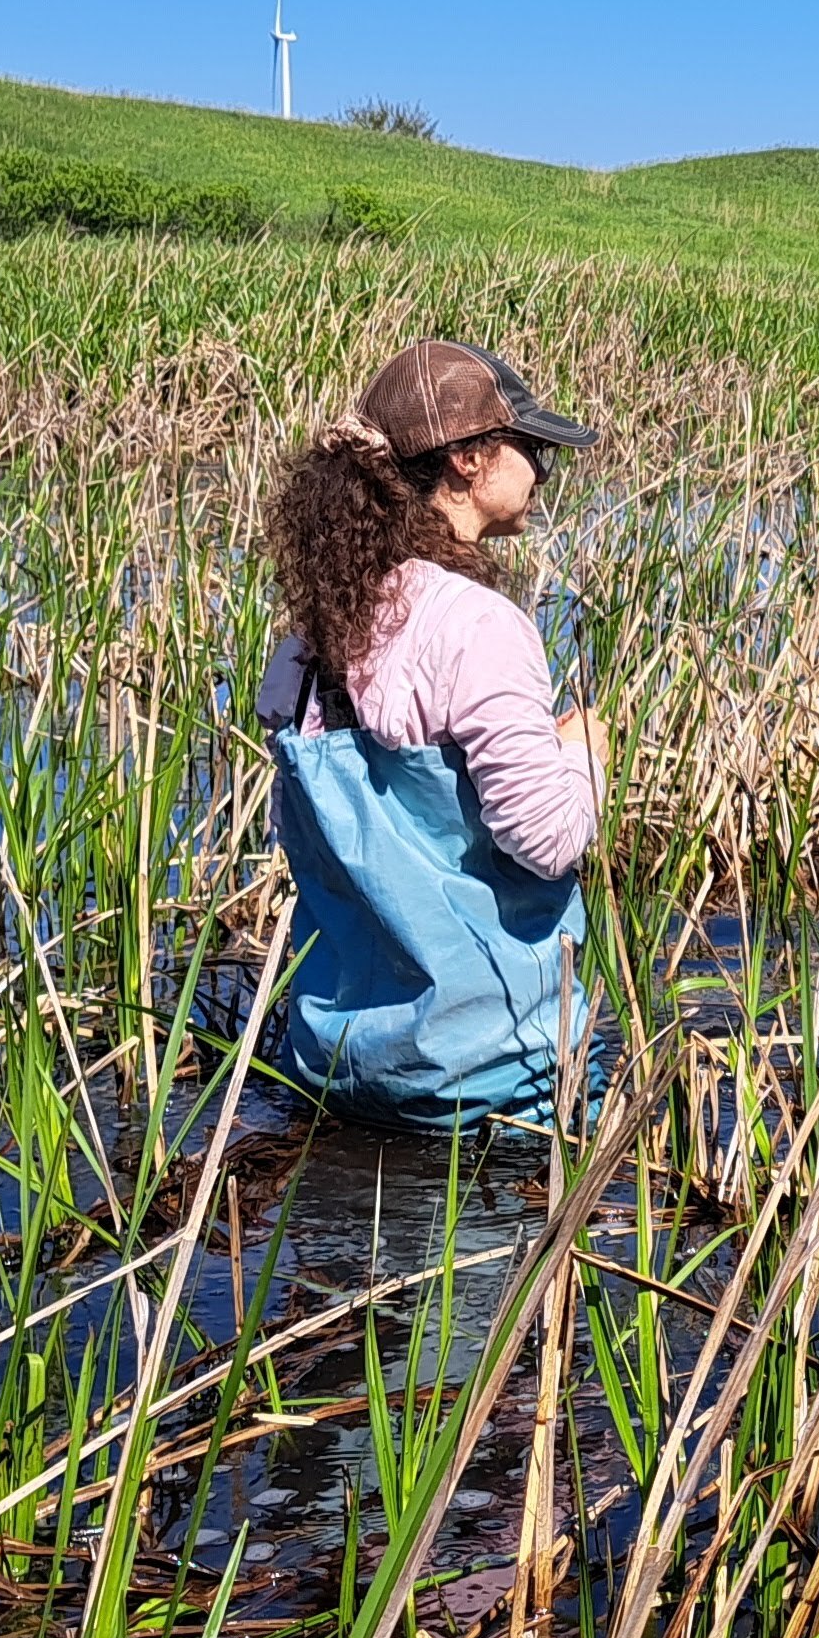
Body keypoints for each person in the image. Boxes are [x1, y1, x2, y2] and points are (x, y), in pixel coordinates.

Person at [257, 338, 608, 1129]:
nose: (544, 473)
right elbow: (546, 842)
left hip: (338, 1068)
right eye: (533, 449)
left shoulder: (315, 634)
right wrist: (582, 756)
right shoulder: (481, 627)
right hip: (487, 1087)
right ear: (469, 460)